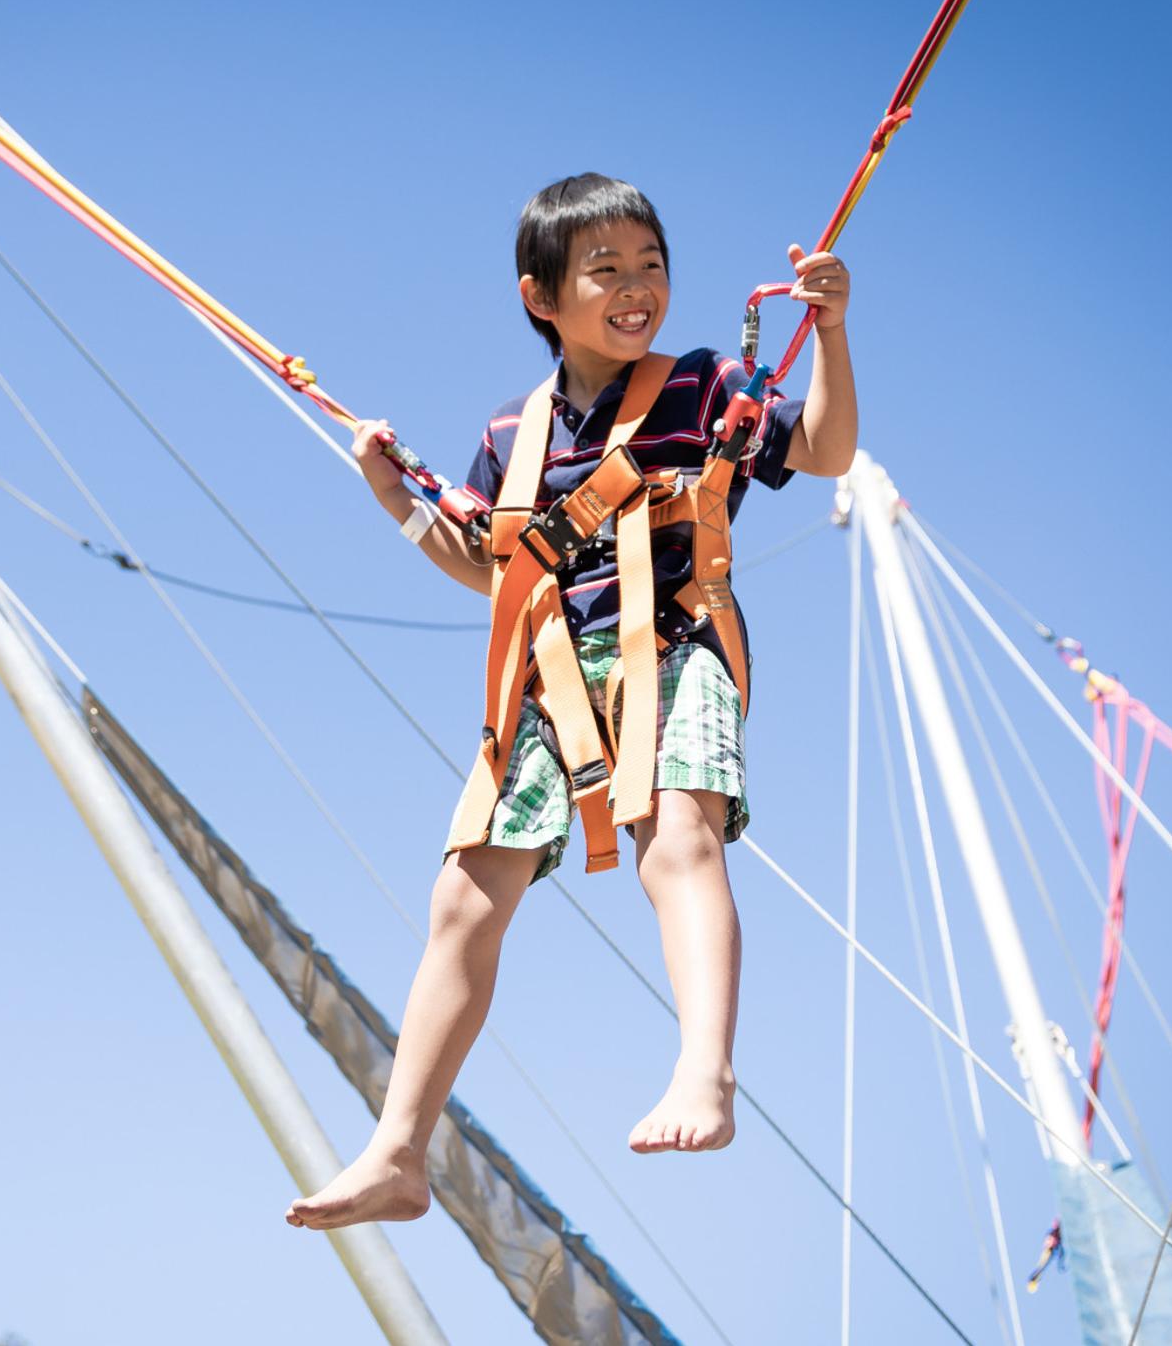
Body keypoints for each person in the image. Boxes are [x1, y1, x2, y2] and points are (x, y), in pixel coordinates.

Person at [287, 173, 858, 1231]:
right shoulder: (516, 430)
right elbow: (495, 564)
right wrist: (390, 495)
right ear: (542, 297)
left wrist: (827, 331)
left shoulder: (702, 382)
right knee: (463, 895)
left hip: (674, 645)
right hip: (552, 674)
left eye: (650, 265)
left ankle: (705, 1073)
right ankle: (398, 1150)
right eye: (606, 271)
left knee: (678, 837)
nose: (636, 287)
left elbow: (823, 451)